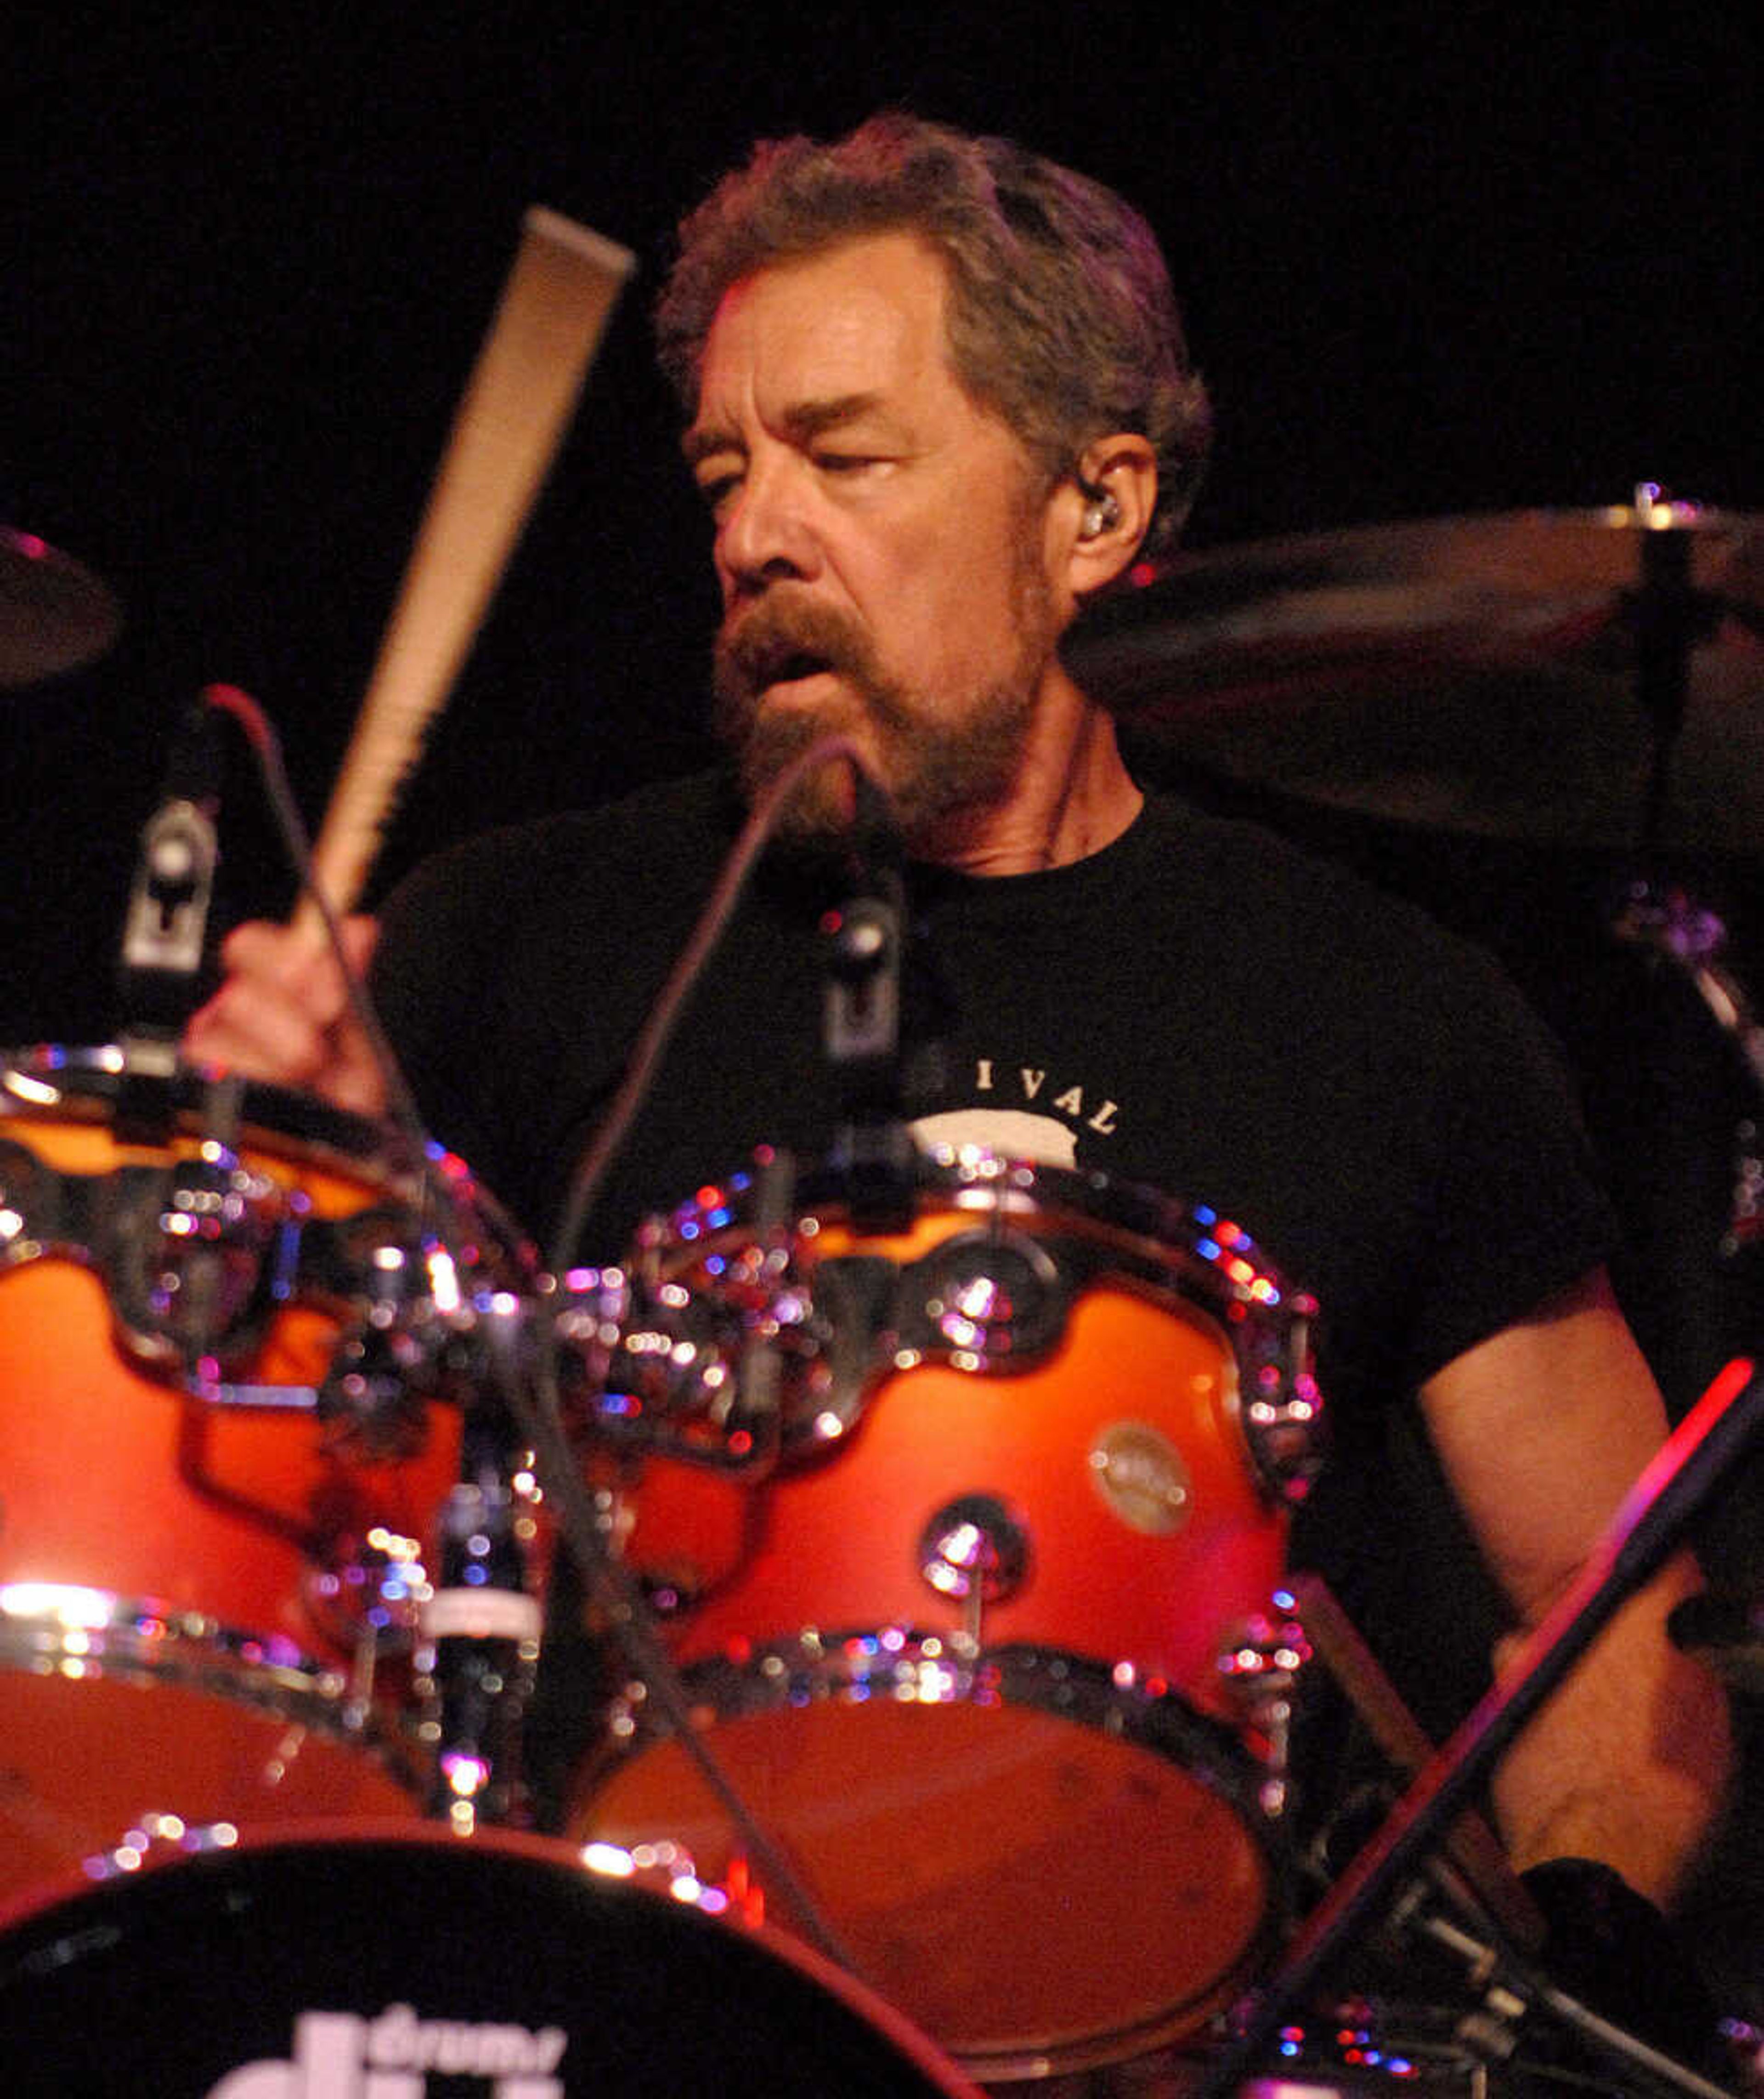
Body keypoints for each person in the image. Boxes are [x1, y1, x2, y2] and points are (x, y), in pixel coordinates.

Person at [187, 114, 1731, 2068]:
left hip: (1183, 2009)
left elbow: (1611, 1610)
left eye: (842, 455)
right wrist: (290, 1186)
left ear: (1095, 510)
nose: (755, 530)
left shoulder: (1382, 1009)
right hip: (638, 2000)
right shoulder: (514, 938)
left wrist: (1575, 1958)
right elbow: (295, 1549)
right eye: (727, 470)